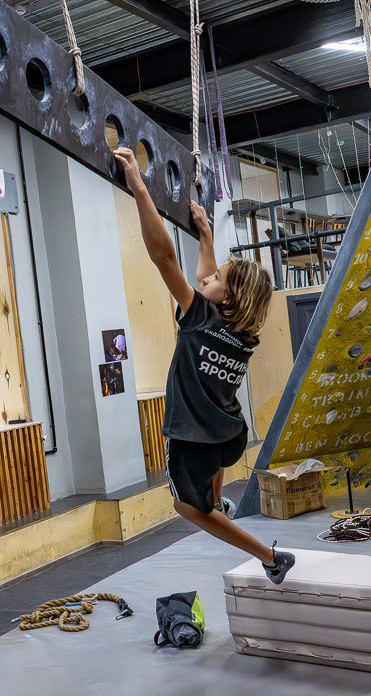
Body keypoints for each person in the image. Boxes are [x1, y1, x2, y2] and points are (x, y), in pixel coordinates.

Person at [113, 147, 296, 584]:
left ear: (226, 296)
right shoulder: (244, 333)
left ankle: (270, 557)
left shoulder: (199, 316)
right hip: (228, 435)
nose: (206, 279)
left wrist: (138, 188)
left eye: (215, 279)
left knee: (186, 508)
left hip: (196, 438)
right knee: (208, 492)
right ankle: (217, 499)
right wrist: (206, 239)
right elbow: (204, 280)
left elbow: (163, 258)